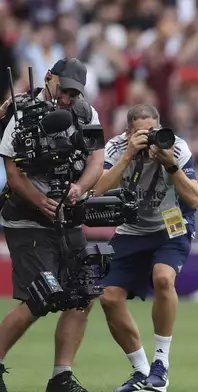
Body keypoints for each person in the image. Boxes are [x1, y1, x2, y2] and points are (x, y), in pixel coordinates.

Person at [0, 58, 103, 392]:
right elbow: (13, 173)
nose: (67, 98)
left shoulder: (86, 113)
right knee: (42, 296)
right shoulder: (20, 112)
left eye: (74, 92)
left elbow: (97, 158)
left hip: (66, 215)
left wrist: (81, 187)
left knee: (82, 294)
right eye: (64, 89)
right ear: (49, 79)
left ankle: (61, 376)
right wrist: (37, 199)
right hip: (27, 218)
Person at [94, 104, 198, 392]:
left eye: (152, 131)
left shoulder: (176, 147)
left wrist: (170, 164)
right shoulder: (116, 147)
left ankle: (161, 365)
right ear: (127, 132)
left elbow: (194, 199)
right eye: (142, 133)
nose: (149, 138)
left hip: (171, 225)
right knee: (108, 297)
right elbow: (97, 190)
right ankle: (142, 372)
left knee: (164, 277)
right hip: (131, 229)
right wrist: (129, 154)